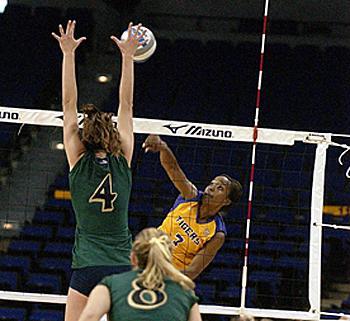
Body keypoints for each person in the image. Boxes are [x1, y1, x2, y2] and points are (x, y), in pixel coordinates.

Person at [52, 20, 144, 321]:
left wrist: (68, 54)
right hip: (120, 264)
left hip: (87, 266)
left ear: (85, 135)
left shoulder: (78, 159)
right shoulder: (123, 160)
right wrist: (128, 58)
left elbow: (68, 104)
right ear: (113, 136)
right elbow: (126, 105)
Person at [142, 135, 243, 279]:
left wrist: (166, 280)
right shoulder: (190, 196)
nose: (211, 187)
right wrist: (163, 148)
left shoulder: (217, 233)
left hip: (171, 276)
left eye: (220, 188)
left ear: (226, 201)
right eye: (212, 183)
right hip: (148, 257)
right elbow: (173, 169)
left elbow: (193, 271)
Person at [78, 228, 202, 321]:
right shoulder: (185, 289)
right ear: (168, 258)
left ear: (133, 258)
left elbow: (89, 317)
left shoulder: (109, 285)